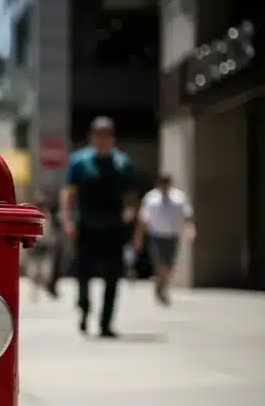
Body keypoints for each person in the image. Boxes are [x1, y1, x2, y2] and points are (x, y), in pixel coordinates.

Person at [59, 117, 138, 338]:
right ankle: (84, 309)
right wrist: (67, 220)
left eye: (107, 135)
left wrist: (130, 213)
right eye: (99, 135)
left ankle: (105, 323)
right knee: (83, 273)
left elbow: (131, 195)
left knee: (113, 276)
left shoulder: (123, 163)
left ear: (113, 138)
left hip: (113, 227)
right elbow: (68, 193)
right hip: (86, 226)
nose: (103, 140)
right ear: (92, 137)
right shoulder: (80, 162)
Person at [134, 173, 195, 306]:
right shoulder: (151, 197)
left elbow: (187, 215)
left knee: (169, 264)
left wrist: (190, 229)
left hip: (172, 236)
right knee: (159, 261)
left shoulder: (179, 197)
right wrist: (138, 237)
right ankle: (160, 285)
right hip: (156, 235)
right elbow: (143, 218)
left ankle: (162, 284)